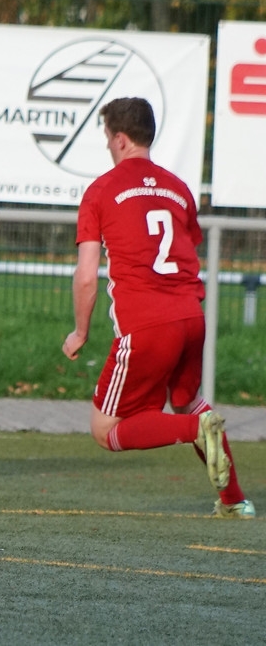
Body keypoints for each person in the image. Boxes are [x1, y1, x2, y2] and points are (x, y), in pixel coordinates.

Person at [62, 97, 254, 519]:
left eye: (107, 137)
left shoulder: (101, 190)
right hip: (190, 318)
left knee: (106, 429)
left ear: (120, 139)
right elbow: (184, 249)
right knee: (187, 401)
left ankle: (194, 430)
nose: (107, 145)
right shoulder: (179, 189)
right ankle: (234, 501)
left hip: (147, 325)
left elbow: (87, 275)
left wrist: (80, 332)